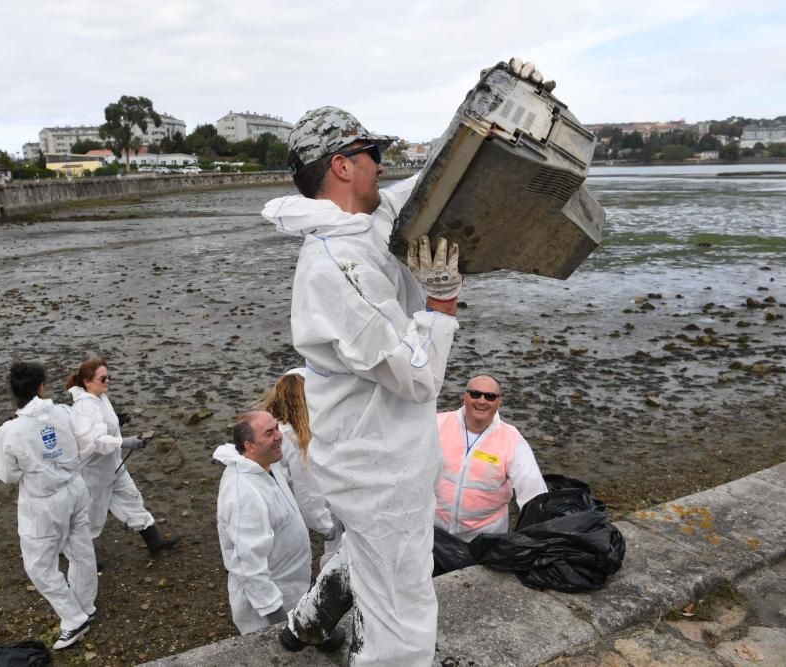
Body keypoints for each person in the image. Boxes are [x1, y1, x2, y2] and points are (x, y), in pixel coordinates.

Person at [259, 57, 549, 665]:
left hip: (377, 443)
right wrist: (442, 303)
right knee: (403, 601)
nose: (382, 163)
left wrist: (501, 108)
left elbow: (434, 185)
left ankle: (307, 623)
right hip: (376, 463)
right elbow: (418, 378)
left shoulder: (368, 221)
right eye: (370, 154)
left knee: (369, 556)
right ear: (342, 165)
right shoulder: (337, 266)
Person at [0, 362, 100, 650]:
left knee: (39, 565)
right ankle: (85, 605)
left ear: (13, 393)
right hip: (75, 487)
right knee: (81, 549)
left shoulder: (10, 432)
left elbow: (7, 474)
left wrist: (39, 467)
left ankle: (75, 617)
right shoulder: (63, 413)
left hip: (43, 501)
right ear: (41, 387)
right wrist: (68, 462)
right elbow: (89, 441)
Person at [213, 411, 318, 638]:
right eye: (269, 433)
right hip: (269, 606)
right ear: (249, 445)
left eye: (277, 428)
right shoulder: (243, 493)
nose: (279, 436)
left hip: (292, 587)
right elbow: (247, 565)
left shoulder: (267, 465)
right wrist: (276, 616)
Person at [65, 358, 179, 558]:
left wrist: (118, 422)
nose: (108, 381)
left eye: (109, 376)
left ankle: (154, 542)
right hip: (94, 472)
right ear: (87, 381)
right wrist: (124, 442)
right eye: (103, 378)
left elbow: (102, 426)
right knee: (91, 515)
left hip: (113, 465)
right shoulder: (84, 406)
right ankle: (77, 555)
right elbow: (96, 441)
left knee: (132, 499)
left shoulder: (100, 397)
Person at [435, 375, 547, 540]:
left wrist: (536, 538)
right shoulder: (437, 424)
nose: (481, 401)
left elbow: (533, 492)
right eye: (475, 394)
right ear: (464, 396)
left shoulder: (512, 439)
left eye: (490, 396)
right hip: (434, 528)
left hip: (485, 537)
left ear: (499, 401)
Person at [258, 369, 343, 566]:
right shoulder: (296, 440)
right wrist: (327, 527)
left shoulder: (269, 428)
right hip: (282, 512)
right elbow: (307, 491)